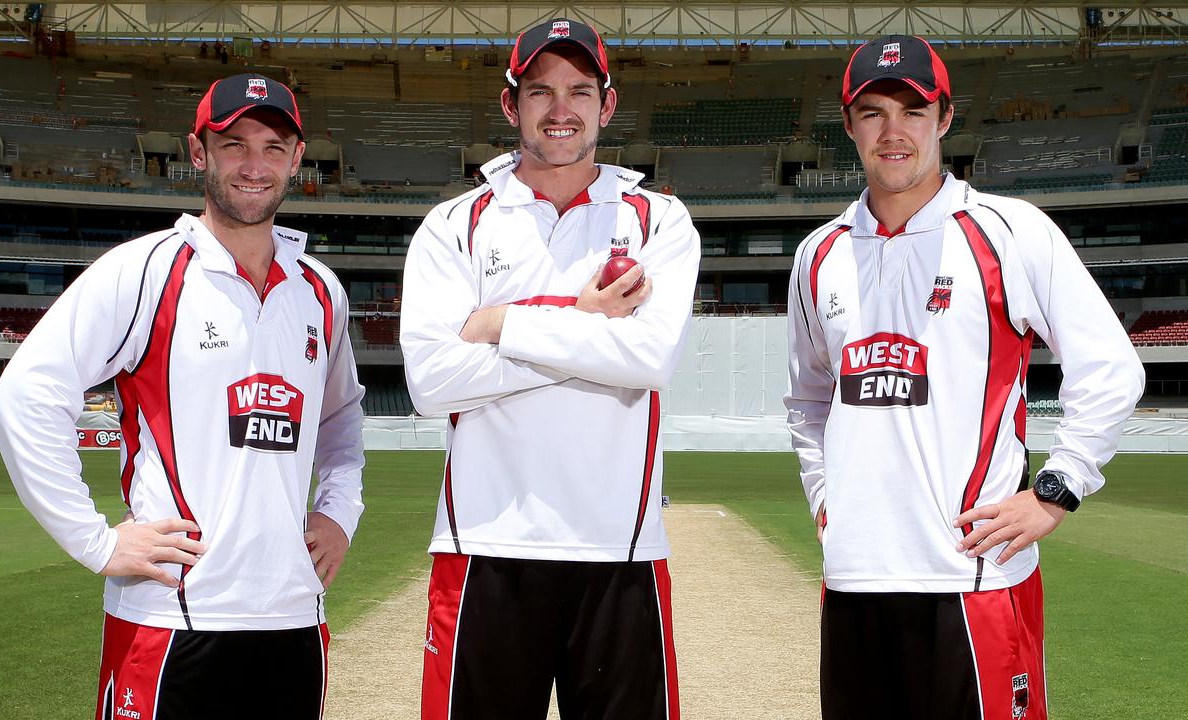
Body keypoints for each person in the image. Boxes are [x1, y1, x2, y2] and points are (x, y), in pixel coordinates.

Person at [785, 36, 1144, 720]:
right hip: (854, 580)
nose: (894, 132)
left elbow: (1111, 367)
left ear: (944, 119)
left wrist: (1057, 488)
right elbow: (807, 399)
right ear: (849, 125)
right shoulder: (818, 254)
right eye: (873, 112)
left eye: (913, 111)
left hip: (972, 580)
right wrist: (826, 500)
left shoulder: (1010, 230)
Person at [0, 73, 365, 719]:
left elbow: (339, 418)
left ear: (299, 160)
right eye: (234, 144)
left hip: (292, 614)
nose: (255, 164)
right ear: (199, 153)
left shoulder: (320, 288)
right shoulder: (146, 269)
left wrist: (339, 510)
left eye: (274, 147)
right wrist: (96, 543)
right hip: (170, 618)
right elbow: (24, 396)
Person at [400, 17, 700, 720]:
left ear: (608, 103)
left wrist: (502, 322)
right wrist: (591, 325)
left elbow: (649, 360)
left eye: (579, 91)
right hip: (484, 545)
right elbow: (432, 383)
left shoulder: (660, 220)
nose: (560, 110)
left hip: (619, 550)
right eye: (540, 92)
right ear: (512, 104)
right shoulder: (455, 224)